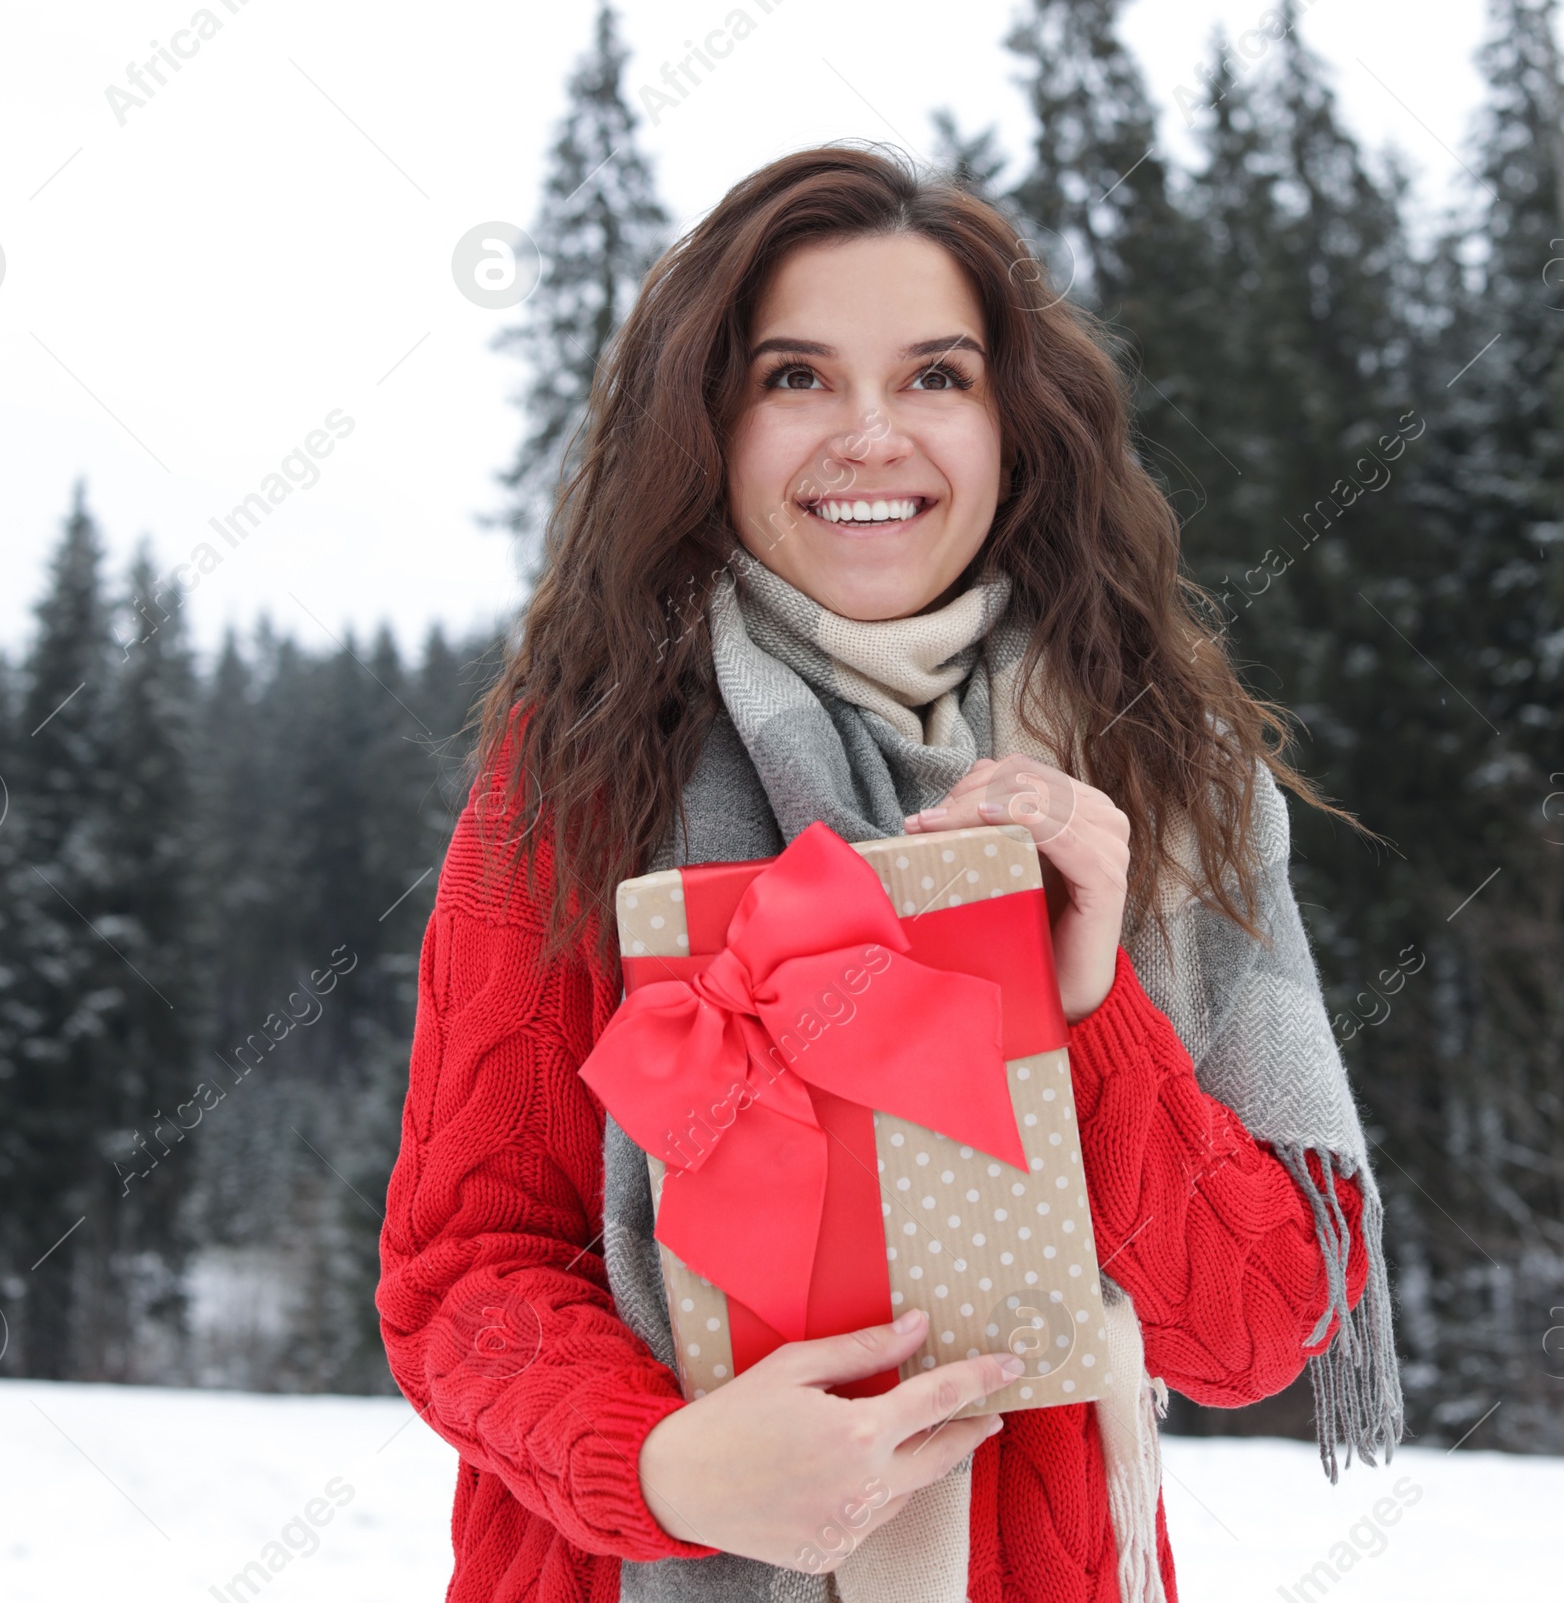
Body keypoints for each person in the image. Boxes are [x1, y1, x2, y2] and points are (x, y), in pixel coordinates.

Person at [377, 146, 1401, 1603]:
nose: (871, 434)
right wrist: (671, 1465)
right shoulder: (580, 775)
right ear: (712, 421)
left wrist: (1082, 1000)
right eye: (797, 377)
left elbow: (1255, 1326)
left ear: (1014, 421)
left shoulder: (1168, 775)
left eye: (936, 377)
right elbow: (459, 1273)